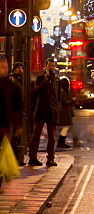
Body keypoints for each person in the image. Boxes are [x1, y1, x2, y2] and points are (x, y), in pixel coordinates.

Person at [28, 59, 60, 167]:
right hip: (41, 109)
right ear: (46, 66)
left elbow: (57, 95)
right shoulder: (40, 78)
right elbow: (37, 90)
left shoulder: (56, 79)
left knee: (52, 137)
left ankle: (50, 158)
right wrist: (45, 80)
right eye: (50, 65)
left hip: (52, 110)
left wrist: (57, 108)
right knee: (36, 134)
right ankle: (32, 157)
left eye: (53, 66)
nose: (51, 67)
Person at [0, 56, 23, 185]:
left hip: (4, 125)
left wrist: (17, 124)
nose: (6, 69)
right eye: (2, 67)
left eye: (6, 67)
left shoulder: (11, 85)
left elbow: (16, 106)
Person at [56, 77, 74, 150]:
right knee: (65, 127)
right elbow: (65, 101)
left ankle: (61, 141)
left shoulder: (61, 91)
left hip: (65, 111)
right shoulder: (63, 92)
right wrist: (72, 100)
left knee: (65, 127)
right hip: (65, 112)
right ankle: (61, 142)